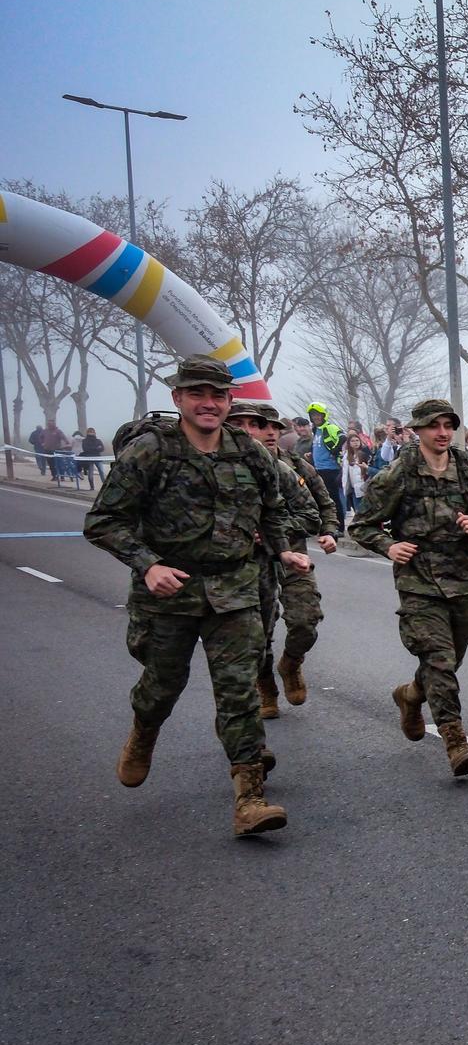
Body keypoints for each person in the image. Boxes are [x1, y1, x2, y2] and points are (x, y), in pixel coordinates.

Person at [83, 357, 308, 836]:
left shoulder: (249, 452)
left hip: (235, 589)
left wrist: (282, 549)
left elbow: (273, 507)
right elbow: (103, 521)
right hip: (170, 592)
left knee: (239, 692)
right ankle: (144, 731)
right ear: (178, 399)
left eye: (219, 396)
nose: (209, 403)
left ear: (229, 401)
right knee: (163, 685)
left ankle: (249, 798)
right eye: (198, 394)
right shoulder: (150, 452)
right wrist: (149, 565)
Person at [349, 398, 468, 776]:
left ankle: (411, 695)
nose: (443, 432)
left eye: (448, 425)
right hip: (418, 582)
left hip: (462, 579)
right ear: (418, 430)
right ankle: (454, 738)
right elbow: (362, 525)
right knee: (440, 659)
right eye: (434, 426)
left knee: (452, 654)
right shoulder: (399, 473)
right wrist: (388, 546)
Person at [227, 401, 338, 720]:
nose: (270, 433)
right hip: (247, 562)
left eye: (275, 427)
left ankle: (290, 663)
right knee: (257, 633)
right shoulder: (227, 467)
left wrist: (328, 531)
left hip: (293, 554)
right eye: (263, 427)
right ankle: (266, 688)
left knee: (306, 620)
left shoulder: (297, 467)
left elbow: (322, 506)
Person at [306, 402, 346, 520]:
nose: (316, 417)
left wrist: (335, 450)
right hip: (318, 469)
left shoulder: (330, 427)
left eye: (318, 415)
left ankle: (339, 526)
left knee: (333, 498)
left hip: (331, 469)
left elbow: (343, 437)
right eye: (313, 415)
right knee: (321, 499)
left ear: (324, 415)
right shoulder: (315, 430)